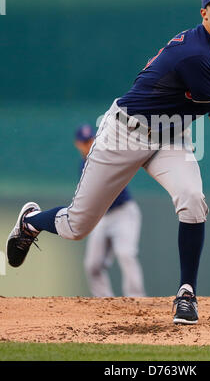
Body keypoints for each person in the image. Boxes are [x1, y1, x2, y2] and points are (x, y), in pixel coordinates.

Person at [7, 0, 210, 325]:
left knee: (193, 198)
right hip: (124, 133)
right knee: (77, 226)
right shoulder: (195, 54)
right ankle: (30, 223)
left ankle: (186, 294)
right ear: (204, 13)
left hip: (169, 136)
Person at [74, 124, 145, 298]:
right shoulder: (83, 166)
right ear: (78, 144)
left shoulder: (105, 156)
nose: (88, 144)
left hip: (123, 213)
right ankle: (104, 301)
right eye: (84, 141)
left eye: (91, 140)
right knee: (92, 264)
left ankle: (137, 299)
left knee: (126, 254)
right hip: (101, 218)